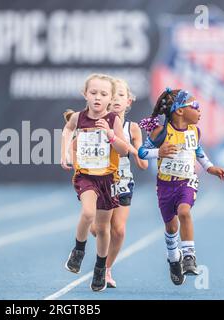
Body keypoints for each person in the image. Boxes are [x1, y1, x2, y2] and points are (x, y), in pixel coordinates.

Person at [138, 87, 224, 285]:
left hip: (187, 181)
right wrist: (158, 153)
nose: (199, 110)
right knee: (171, 227)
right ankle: (173, 258)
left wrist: (210, 168)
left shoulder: (195, 131)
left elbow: (198, 151)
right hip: (165, 185)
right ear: (179, 110)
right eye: (195, 106)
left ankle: (189, 256)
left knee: (184, 212)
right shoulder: (161, 132)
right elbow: (142, 152)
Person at [60, 73, 136, 291]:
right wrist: (64, 152)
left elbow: (123, 151)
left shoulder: (114, 120)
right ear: (85, 94)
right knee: (88, 213)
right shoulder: (79, 117)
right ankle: (78, 250)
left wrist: (110, 135)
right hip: (85, 175)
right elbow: (67, 129)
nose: (97, 97)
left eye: (103, 94)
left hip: (108, 178)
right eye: (93, 93)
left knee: (103, 229)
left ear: (110, 98)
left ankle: (101, 268)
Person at [88, 78, 148, 288]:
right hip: (102, 181)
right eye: (112, 95)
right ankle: (93, 224)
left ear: (128, 101)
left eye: (121, 95)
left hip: (123, 181)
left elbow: (142, 163)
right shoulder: (99, 122)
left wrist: (144, 153)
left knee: (119, 230)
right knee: (98, 229)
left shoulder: (133, 128)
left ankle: (106, 269)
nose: (115, 99)